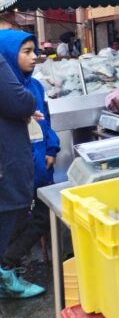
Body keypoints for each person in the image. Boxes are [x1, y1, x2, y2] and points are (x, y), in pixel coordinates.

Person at [0, 30, 60, 277]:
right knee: (16, 219)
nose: (34, 57)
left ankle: (9, 263)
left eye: (34, 51)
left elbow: (47, 121)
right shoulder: (7, 94)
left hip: (40, 164)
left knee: (43, 215)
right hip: (16, 166)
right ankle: (8, 265)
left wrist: (52, 148)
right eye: (26, 52)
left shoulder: (35, 86)